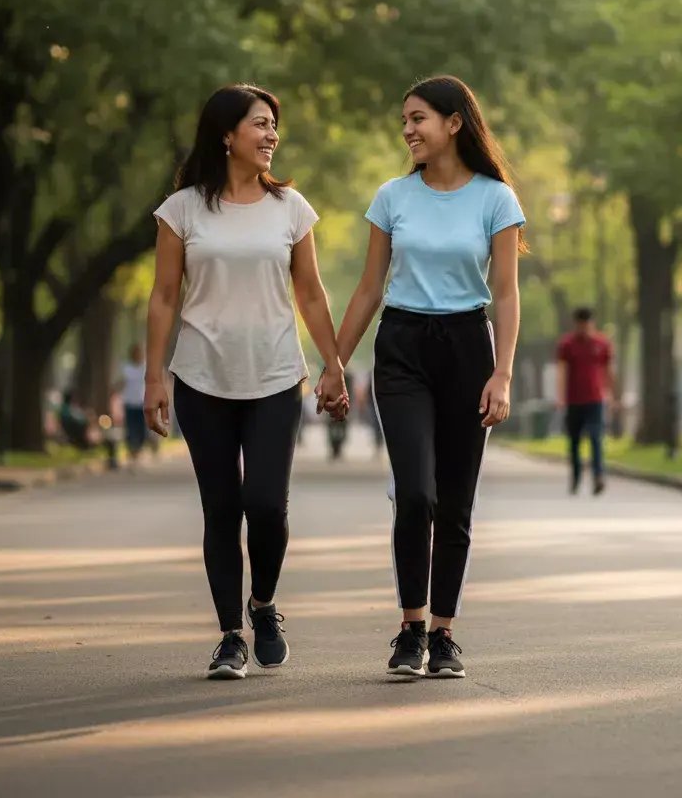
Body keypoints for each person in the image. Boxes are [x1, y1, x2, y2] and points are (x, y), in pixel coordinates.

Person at [321, 75, 526, 679]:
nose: (408, 130)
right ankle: (410, 629)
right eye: (405, 121)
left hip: (469, 346)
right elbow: (368, 290)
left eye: (418, 119)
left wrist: (504, 374)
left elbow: (508, 296)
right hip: (403, 347)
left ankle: (444, 634)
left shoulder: (496, 199)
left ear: (454, 123)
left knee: (456, 503)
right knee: (416, 493)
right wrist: (334, 364)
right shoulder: (392, 197)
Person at [145, 83, 348, 681]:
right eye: (260, 124)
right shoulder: (181, 209)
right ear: (226, 135)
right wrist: (155, 377)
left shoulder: (291, 208)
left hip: (275, 376)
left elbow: (310, 292)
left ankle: (263, 604)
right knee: (220, 508)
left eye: (273, 126)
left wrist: (334, 363)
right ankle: (230, 635)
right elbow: (162, 295)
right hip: (203, 378)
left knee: (265, 504)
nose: (271, 136)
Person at [556, 307, 614, 496]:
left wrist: (611, 394)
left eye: (587, 324)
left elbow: (608, 370)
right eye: (581, 324)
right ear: (576, 324)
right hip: (574, 399)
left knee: (596, 437)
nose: (584, 328)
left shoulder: (602, 343)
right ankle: (576, 476)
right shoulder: (567, 344)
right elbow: (562, 371)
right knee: (574, 441)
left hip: (595, 398)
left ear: (592, 323)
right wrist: (560, 397)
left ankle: (598, 476)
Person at [119, 343, 149, 461]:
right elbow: (121, 382)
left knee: (142, 429)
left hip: (142, 403)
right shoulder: (126, 368)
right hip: (129, 403)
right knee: (130, 428)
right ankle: (132, 450)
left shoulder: (146, 367)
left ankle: (138, 449)